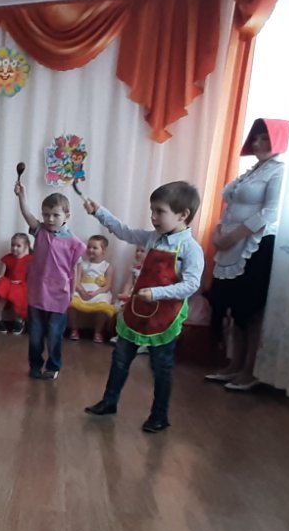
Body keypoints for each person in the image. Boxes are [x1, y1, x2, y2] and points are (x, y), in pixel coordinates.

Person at [82, 183, 204, 433]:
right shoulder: (152, 238)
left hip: (164, 318)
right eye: (152, 210)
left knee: (161, 368)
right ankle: (109, 402)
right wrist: (99, 212)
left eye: (160, 211)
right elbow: (124, 232)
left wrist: (157, 293)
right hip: (137, 312)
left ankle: (159, 416)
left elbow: (191, 285)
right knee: (120, 359)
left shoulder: (191, 249)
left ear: (183, 215)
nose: (153, 217)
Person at [207, 117, 289, 392]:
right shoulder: (251, 172)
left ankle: (249, 370)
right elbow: (231, 207)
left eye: (265, 138)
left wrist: (232, 237)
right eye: (255, 138)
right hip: (231, 246)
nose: (257, 143)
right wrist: (218, 233)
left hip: (256, 246)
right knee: (233, 307)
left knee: (250, 310)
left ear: (277, 140)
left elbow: (270, 212)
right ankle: (234, 364)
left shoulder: (279, 171)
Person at [14, 183, 85, 380]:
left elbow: (75, 269)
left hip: (60, 295)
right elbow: (27, 215)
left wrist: (73, 292)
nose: (50, 219)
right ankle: (35, 365)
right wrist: (21, 196)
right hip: (37, 292)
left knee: (54, 333)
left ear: (67, 216)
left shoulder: (74, 243)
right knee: (36, 333)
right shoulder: (40, 231)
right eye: (46, 215)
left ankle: (53, 366)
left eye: (55, 215)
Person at [69, 235, 118, 342]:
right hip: (82, 290)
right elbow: (76, 282)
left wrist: (95, 293)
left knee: (104, 304)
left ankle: (98, 331)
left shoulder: (107, 266)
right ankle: (74, 329)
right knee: (71, 301)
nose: (90, 250)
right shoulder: (82, 264)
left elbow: (107, 286)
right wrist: (82, 291)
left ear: (103, 250)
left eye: (95, 248)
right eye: (89, 247)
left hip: (98, 293)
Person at [0, 232, 31, 334]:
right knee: (3, 292)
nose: (14, 248)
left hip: (22, 285)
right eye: (13, 245)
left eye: (18, 246)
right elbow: (1, 275)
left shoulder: (30, 260)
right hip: (9, 283)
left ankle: (19, 320)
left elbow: (31, 276)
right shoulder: (7, 258)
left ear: (26, 246)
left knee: (20, 296)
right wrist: (0, 280)